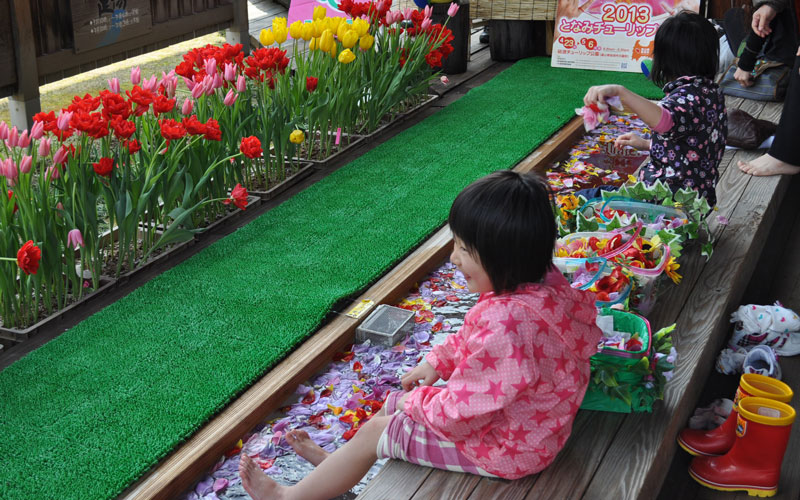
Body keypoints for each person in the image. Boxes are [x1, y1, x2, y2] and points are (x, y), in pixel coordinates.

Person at [238, 171, 602, 500]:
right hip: (530, 429)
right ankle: (341, 467)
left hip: (506, 450)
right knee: (390, 411)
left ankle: (289, 497)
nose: (454, 258)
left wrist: (415, 403)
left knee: (387, 421)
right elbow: (476, 342)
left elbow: (459, 412)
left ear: (502, 257)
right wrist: (437, 361)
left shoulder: (507, 323)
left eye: (463, 248)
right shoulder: (539, 288)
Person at [583, 11, 727, 206]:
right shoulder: (711, 93)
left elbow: (666, 120)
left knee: (585, 198)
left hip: (664, 206)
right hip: (695, 203)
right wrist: (647, 144)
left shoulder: (687, 97)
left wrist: (621, 92)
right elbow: (693, 148)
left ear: (664, 60)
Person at [724, 0, 798, 88]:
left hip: (783, 58)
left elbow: (763, 23)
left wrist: (745, 63)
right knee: (733, 15)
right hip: (767, 47)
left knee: (733, 16)